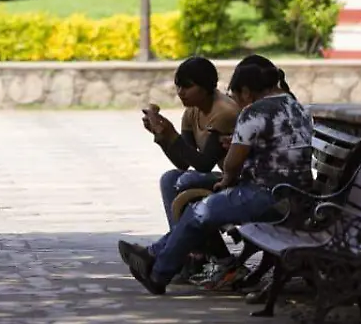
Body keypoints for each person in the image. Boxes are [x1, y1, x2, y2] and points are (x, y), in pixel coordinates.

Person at [119, 60, 314, 294]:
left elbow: (231, 164)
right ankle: (156, 257)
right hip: (298, 195)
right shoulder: (297, 106)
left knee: (200, 212)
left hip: (267, 196)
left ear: (246, 91)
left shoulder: (253, 112)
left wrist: (227, 180)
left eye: (237, 97)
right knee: (197, 204)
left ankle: (158, 272)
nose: (237, 103)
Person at [146, 57, 241, 229]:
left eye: (187, 87)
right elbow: (183, 162)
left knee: (187, 180)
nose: (180, 92)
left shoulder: (224, 112)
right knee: (169, 178)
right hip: (221, 177)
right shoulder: (192, 111)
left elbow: (204, 164)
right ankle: (181, 238)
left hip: (238, 179)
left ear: (205, 87)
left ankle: (181, 239)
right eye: (178, 86)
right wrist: (162, 137)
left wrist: (172, 134)